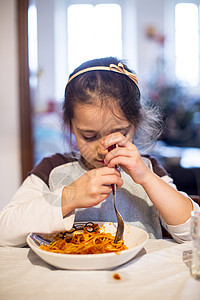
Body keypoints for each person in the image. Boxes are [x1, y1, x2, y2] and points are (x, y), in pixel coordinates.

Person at [0, 57, 199, 247]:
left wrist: (147, 178)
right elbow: (5, 230)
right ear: (71, 126)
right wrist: (71, 195)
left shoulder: (149, 169)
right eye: (88, 136)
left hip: (138, 278)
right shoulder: (52, 168)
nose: (103, 149)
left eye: (118, 133)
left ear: (135, 125)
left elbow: (192, 232)